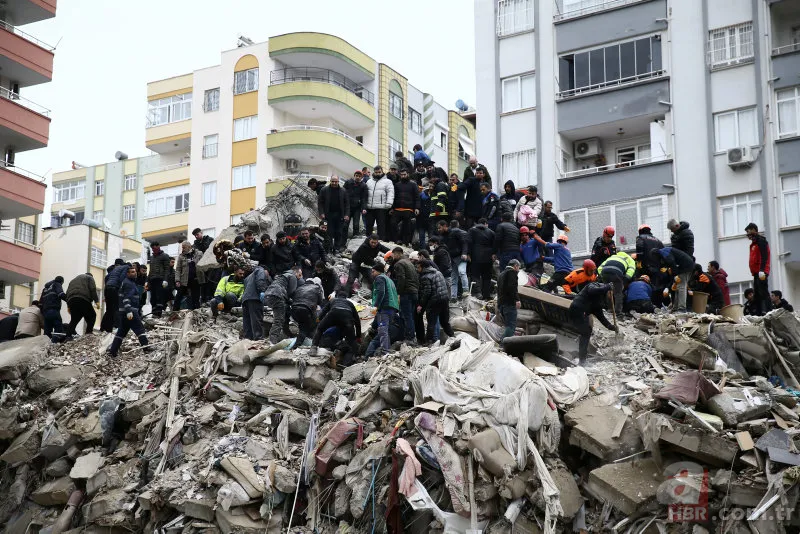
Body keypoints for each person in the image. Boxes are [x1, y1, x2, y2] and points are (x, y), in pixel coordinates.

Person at [106, 265, 151, 358]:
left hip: (123, 312)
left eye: (134, 272)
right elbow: (126, 299)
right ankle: (146, 348)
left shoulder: (128, 283)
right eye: (132, 272)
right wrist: (129, 311)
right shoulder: (129, 284)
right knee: (140, 329)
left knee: (121, 332)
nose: (134, 273)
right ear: (127, 273)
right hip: (130, 311)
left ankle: (113, 351)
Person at [569, 282, 617, 364]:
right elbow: (592, 291)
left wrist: (610, 326)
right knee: (586, 332)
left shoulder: (598, 302)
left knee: (586, 331)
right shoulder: (594, 285)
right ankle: (582, 360)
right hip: (578, 309)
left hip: (580, 312)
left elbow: (601, 316)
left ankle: (582, 357)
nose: (609, 298)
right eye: (609, 295)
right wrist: (607, 286)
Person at [310, 291, 362, 359]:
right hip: (347, 318)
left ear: (337, 296)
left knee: (320, 329)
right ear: (346, 298)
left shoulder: (333, 300)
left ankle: (314, 347)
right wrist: (358, 336)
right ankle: (356, 356)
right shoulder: (350, 303)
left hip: (333, 314)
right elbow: (357, 320)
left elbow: (323, 311)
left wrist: (318, 320)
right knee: (351, 340)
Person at [417, 259, 454, 343]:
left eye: (418, 267)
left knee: (431, 322)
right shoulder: (438, 272)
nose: (417, 269)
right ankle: (453, 336)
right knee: (445, 322)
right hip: (445, 299)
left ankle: (428, 341)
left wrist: (421, 305)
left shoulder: (425, 277)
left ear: (423, 267)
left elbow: (427, 292)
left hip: (434, 301)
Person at [389, 248, 419, 346]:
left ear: (397, 254)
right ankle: (410, 336)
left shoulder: (399, 264)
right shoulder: (409, 263)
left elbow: (401, 279)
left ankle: (410, 338)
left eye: (393, 255)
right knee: (410, 315)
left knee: (406, 316)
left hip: (406, 292)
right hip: (414, 292)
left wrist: (398, 293)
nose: (392, 257)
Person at [651, 247, 694, 313]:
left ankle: (682, 308)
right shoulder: (664, 253)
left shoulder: (665, 253)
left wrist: (675, 276)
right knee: (677, 287)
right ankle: (676, 308)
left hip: (685, 267)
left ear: (656, 255)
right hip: (684, 266)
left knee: (681, 286)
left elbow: (673, 264)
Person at [264, 268, 301, 344]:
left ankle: (288, 335)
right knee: (279, 320)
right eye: (299, 275)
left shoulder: (282, 276)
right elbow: (291, 292)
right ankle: (272, 341)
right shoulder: (292, 276)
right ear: (295, 272)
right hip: (278, 295)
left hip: (268, 295)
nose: (300, 277)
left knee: (282, 317)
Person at [371, 263, 399, 356]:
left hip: (384, 307)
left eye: (373, 271)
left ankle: (384, 352)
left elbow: (380, 292)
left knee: (382, 330)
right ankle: (387, 349)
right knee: (386, 330)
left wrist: (376, 305)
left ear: (378, 271)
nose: (372, 273)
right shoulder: (389, 280)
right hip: (392, 308)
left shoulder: (380, 278)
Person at [438, 220, 470, 301]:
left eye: (439, 228)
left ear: (445, 225)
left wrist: (464, 253)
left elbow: (464, 243)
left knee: (462, 272)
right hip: (452, 258)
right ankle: (453, 297)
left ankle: (466, 290)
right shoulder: (442, 237)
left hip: (460, 256)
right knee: (453, 278)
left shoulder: (455, 232)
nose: (438, 230)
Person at [597, 251, 636, 315]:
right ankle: (618, 311)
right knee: (618, 292)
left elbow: (600, 268)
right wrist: (625, 279)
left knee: (609, 290)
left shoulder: (613, 256)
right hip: (616, 272)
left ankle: (610, 309)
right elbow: (631, 270)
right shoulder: (630, 259)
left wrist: (602, 276)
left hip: (604, 271)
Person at [317, 175, 350, 251]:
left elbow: (347, 204)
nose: (334, 183)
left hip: (340, 215)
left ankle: (336, 249)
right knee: (329, 233)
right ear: (330, 181)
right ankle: (329, 249)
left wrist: (346, 214)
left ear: (338, 181)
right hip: (328, 215)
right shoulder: (324, 190)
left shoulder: (343, 190)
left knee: (339, 232)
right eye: (333, 181)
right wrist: (321, 213)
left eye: (336, 181)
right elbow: (320, 203)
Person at [291, 278, 325, 345]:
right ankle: (297, 345)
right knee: (306, 327)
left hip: (294, 311)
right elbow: (320, 302)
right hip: (306, 310)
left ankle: (306, 339)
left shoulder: (299, 288)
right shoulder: (317, 288)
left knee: (303, 326)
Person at [746, 222, 771, 316]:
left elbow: (764, 256)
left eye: (748, 231)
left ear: (753, 230)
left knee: (763, 292)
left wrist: (762, 270)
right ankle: (760, 312)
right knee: (757, 293)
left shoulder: (761, 241)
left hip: (761, 272)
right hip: (756, 272)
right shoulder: (754, 244)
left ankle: (767, 311)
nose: (748, 234)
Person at [468, 218, 496, 300]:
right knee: (487, 276)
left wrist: (468, 254)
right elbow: (494, 244)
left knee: (475, 275)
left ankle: (478, 293)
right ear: (486, 224)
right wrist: (494, 254)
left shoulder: (472, 230)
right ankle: (486, 294)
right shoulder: (491, 232)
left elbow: (469, 242)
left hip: (476, 257)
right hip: (488, 258)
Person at [364, 166, 394, 240]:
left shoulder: (388, 181)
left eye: (379, 172)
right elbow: (365, 194)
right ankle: (368, 239)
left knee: (381, 226)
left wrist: (389, 203)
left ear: (382, 172)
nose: (377, 174)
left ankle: (381, 240)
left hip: (381, 207)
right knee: (369, 225)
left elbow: (390, 193)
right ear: (374, 172)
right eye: (376, 172)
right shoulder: (369, 181)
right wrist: (364, 205)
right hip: (370, 207)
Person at [391, 169, 420, 246]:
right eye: (401, 175)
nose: (403, 176)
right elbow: (394, 197)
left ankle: (405, 242)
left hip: (408, 209)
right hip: (397, 209)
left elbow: (417, 197)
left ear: (408, 174)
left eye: (404, 174)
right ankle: (396, 240)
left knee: (407, 227)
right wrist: (392, 208)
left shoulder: (413, 184)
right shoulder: (397, 185)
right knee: (393, 224)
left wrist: (417, 208)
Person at [65, 273, 99, 337]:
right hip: (83, 298)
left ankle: (68, 336)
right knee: (92, 316)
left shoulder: (73, 280)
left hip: (72, 300)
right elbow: (93, 289)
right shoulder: (89, 277)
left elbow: (67, 293)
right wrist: (96, 301)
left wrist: (68, 306)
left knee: (74, 320)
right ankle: (88, 333)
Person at [240, 265, 269, 340]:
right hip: (254, 298)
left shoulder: (249, 276)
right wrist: (262, 291)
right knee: (257, 320)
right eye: (267, 274)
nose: (267, 276)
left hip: (246, 299)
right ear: (266, 270)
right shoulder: (260, 270)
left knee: (248, 321)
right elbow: (260, 280)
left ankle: (247, 340)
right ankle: (258, 339)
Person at [174, 241, 204, 310]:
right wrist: (177, 280)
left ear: (189, 247)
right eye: (182, 247)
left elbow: (203, 264)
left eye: (184, 247)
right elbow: (178, 269)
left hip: (196, 279)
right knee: (178, 297)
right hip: (184, 280)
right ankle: (174, 313)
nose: (183, 249)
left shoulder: (199, 253)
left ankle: (196, 313)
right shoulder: (181, 256)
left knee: (195, 298)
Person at [497, 259, 522, 339]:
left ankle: (502, 342)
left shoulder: (501, 274)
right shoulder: (511, 272)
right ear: (515, 266)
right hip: (509, 304)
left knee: (507, 325)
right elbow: (512, 288)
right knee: (511, 326)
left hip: (501, 304)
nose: (518, 270)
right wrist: (517, 300)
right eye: (519, 268)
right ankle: (504, 344)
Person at [101, 259, 128, 332]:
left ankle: (106, 328)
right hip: (115, 288)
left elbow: (106, 277)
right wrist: (120, 287)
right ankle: (116, 327)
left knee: (109, 310)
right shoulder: (126, 267)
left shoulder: (113, 270)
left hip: (108, 288)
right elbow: (122, 278)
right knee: (117, 308)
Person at [147, 241, 171, 318]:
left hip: (160, 280)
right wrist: (147, 281)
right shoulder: (151, 258)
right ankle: (153, 313)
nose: (154, 250)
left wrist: (165, 280)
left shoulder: (165, 256)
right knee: (152, 299)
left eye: (155, 248)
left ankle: (158, 314)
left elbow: (167, 269)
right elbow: (150, 270)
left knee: (159, 298)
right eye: (153, 249)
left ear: (158, 246)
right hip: (152, 280)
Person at [41, 275, 67, 341]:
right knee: (58, 329)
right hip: (54, 310)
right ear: (61, 282)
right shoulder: (57, 284)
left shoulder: (45, 289)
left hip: (45, 312)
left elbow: (40, 303)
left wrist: (43, 313)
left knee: (47, 332)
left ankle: (45, 347)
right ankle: (54, 344)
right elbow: (61, 294)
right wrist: (69, 300)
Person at [344, 170, 368, 238]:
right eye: (356, 176)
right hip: (347, 207)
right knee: (345, 224)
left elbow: (364, 198)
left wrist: (364, 208)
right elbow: (343, 193)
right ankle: (343, 240)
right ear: (354, 176)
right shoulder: (348, 182)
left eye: (359, 176)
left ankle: (355, 238)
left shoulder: (364, 186)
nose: (358, 177)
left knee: (356, 224)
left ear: (362, 177)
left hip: (357, 208)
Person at [417, 182, 432, 248]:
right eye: (430, 186)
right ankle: (423, 249)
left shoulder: (435, 194)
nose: (431, 187)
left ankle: (431, 250)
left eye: (432, 186)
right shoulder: (422, 194)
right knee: (421, 235)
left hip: (431, 218)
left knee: (431, 235)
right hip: (421, 217)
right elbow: (418, 204)